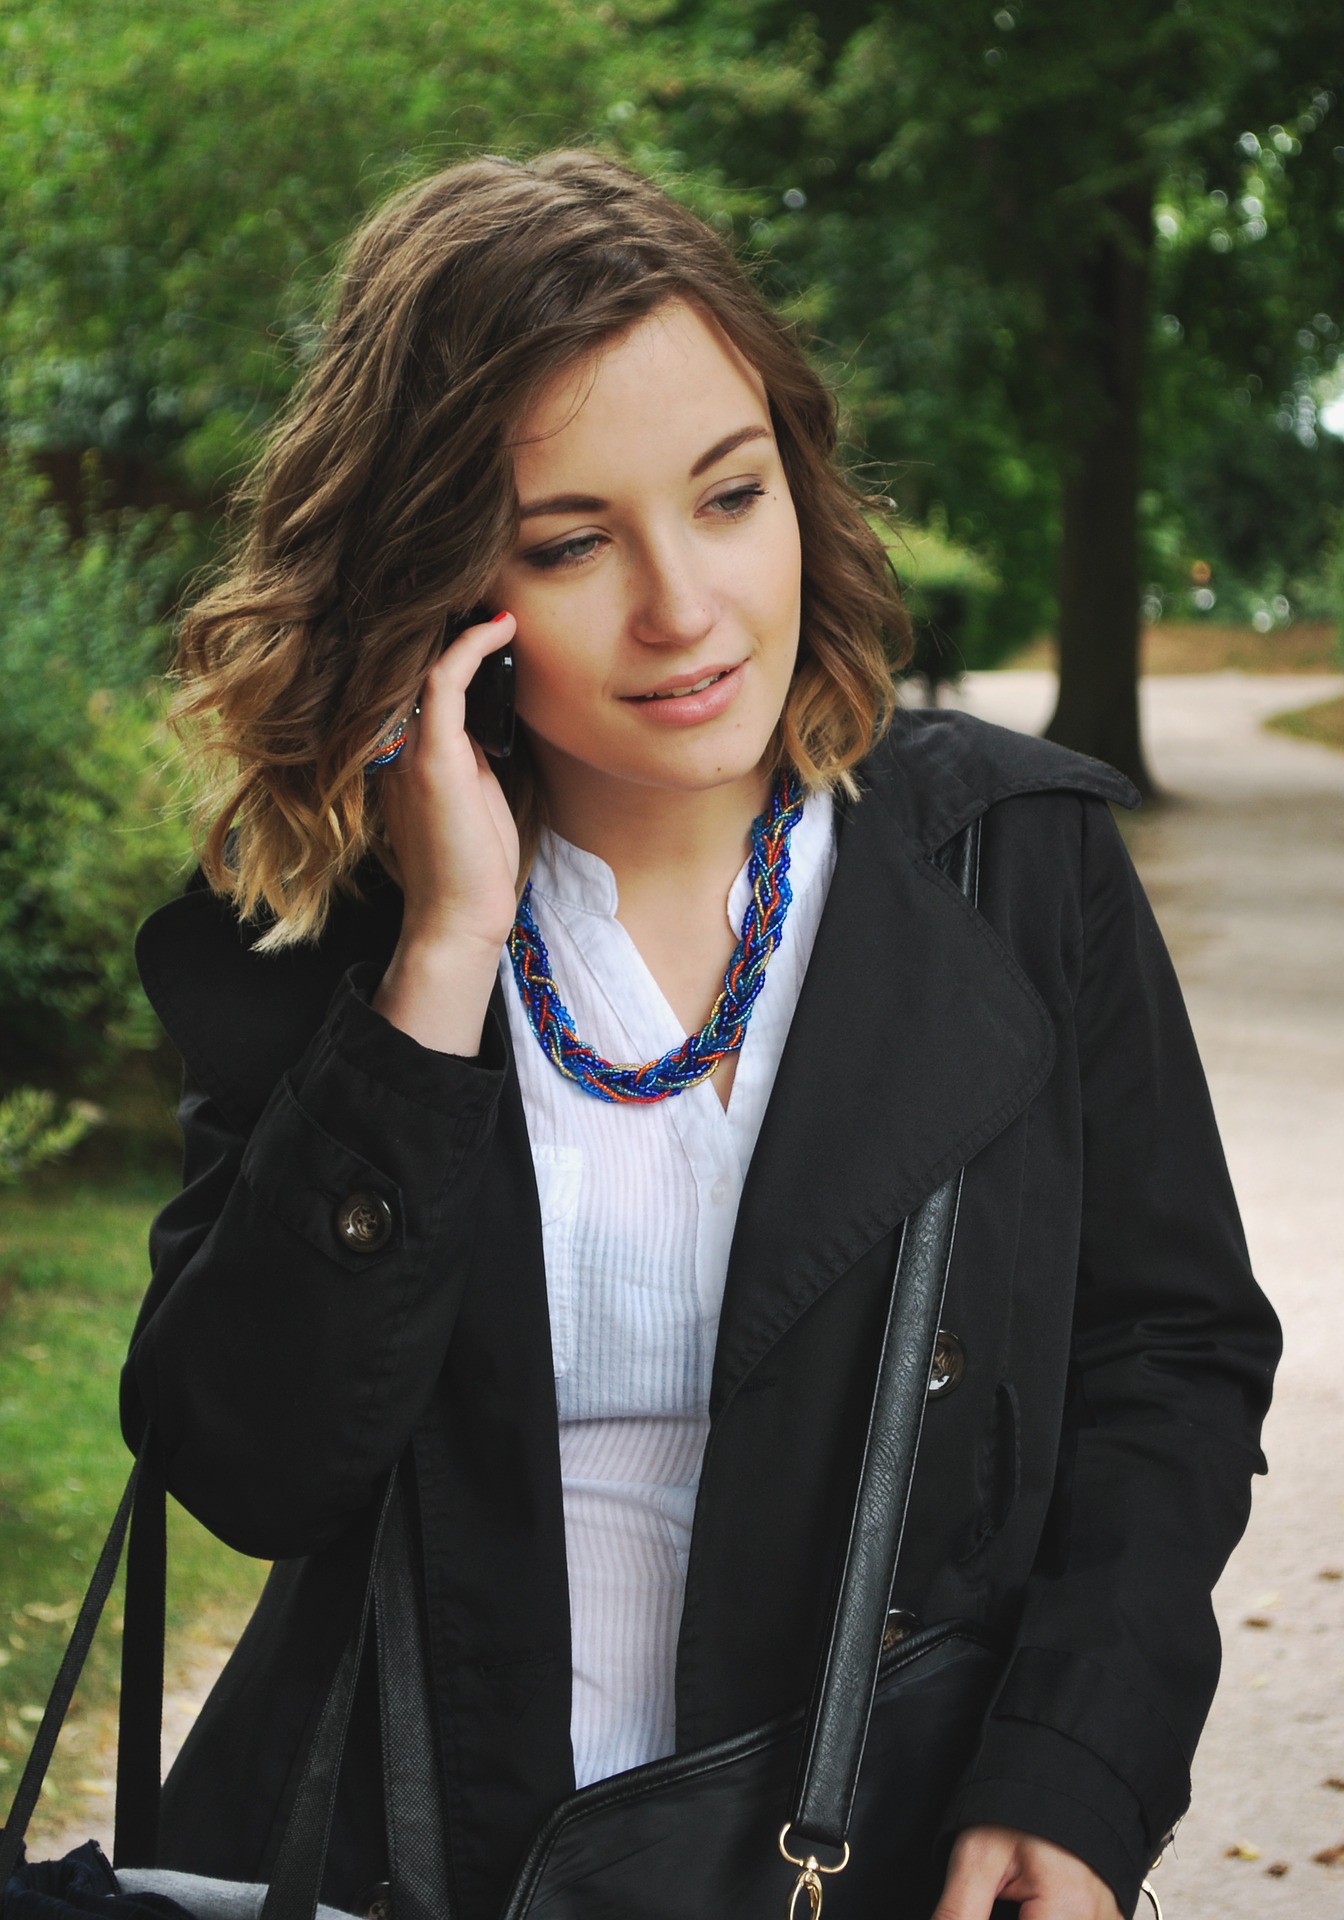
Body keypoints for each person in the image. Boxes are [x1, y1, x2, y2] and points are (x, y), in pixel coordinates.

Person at [124, 151, 1279, 1920]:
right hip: (422, 1866)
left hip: (881, 1861)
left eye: (728, 498)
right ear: (444, 590)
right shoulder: (332, 947)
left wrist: (1076, 1766)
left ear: (795, 480)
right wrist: (443, 954)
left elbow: (1171, 1353)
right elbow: (249, 1466)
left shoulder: (1010, 864)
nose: (683, 610)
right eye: (571, 543)